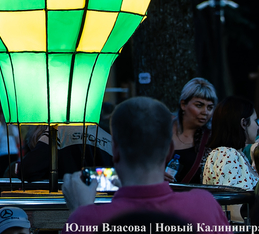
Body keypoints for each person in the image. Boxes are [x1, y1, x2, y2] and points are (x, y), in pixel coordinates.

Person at [62, 97, 230, 229]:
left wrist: (80, 213)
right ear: (170, 150)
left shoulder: (87, 219)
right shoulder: (204, 205)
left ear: (116, 150)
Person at [202, 96, 259, 190]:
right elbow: (232, 202)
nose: (257, 126)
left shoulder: (237, 154)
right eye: (255, 120)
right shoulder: (227, 154)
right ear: (244, 123)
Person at [169, 77, 217, 183]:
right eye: (199, 105)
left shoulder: (212, 139)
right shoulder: (162, 129)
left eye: (210, 107)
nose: (205, 112)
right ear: (183, 104)